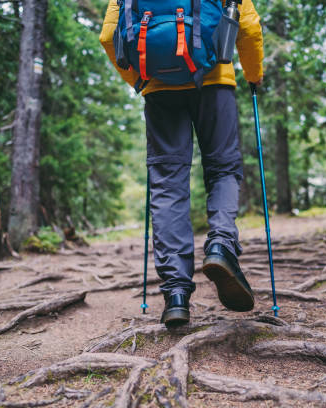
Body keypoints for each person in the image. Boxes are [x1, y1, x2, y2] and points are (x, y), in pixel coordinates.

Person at [100, 0, 264, 327]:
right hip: (215, 76)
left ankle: (175, 293)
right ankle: (220, 245)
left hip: (159, 87)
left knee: (167, 183)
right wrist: (254, 74)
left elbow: (108, 37)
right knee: (223, 169)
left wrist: (138, 79)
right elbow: (248, 28)